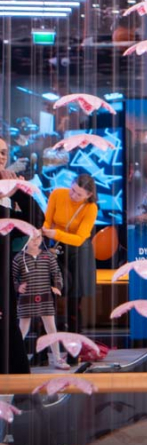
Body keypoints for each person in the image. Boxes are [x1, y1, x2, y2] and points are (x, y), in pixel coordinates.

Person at [0, 137, 38, 374]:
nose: (1, 157)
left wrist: (18, 193)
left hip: (4, 285)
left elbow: (36, 221)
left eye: (4, 152)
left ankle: (19, 392)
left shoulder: (5, 200)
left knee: (10, 342)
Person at [43, 175, 98, 334]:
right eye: (72, 190)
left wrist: (56, 234)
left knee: (75, 300)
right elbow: (47, 220)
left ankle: (75, 342)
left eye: (79, 194)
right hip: (57, 249)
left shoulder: (91, 207)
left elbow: (79, 239)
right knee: (51, 291)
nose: (73, 195)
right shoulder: (57, 194)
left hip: (79, 252)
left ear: (88, 195)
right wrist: (45, 230)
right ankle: (48, 338)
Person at [13, 229, 66, 368]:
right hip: (27, 298)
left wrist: (57, 286)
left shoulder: (48, 256)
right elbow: (12, 276)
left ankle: (57, 358)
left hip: (45, 297)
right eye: (32, 238)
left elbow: (56, 273)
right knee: (22, 329)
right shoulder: (19, 258)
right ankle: (13, 359)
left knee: (51, 328)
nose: (35, 241)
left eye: (38, 238)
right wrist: (17, 286)